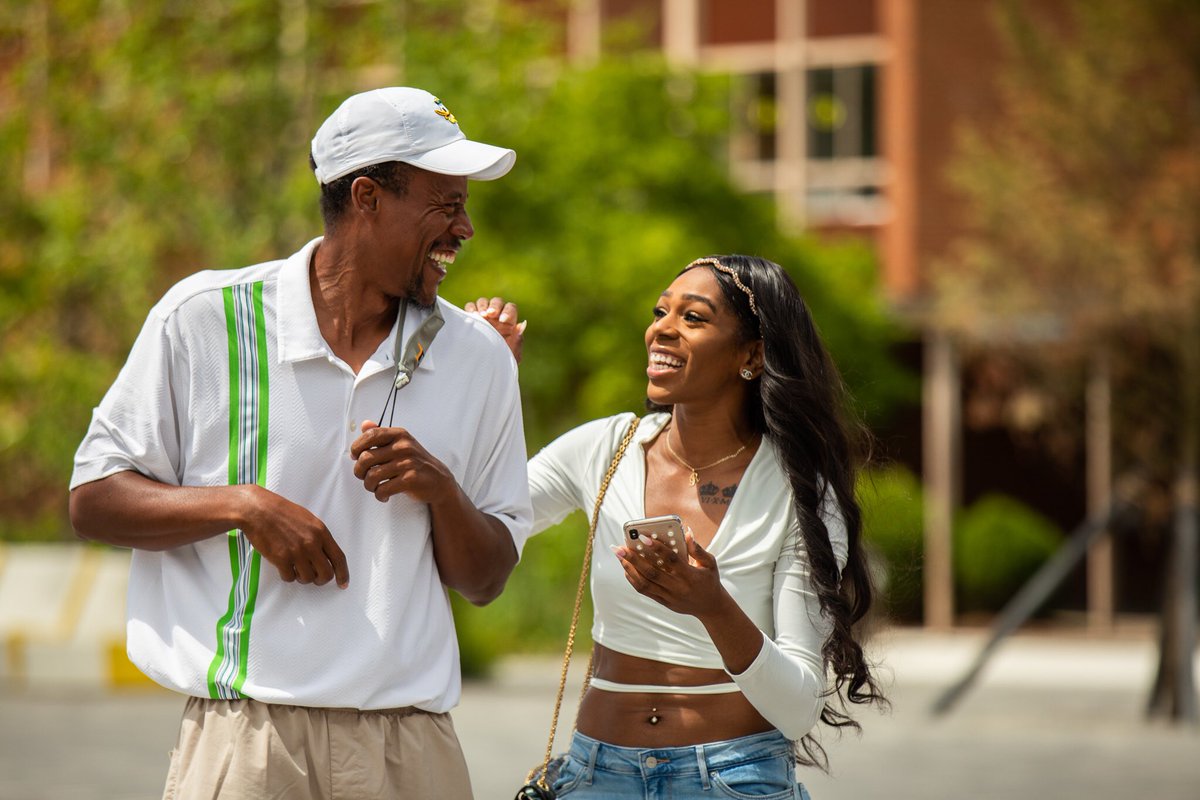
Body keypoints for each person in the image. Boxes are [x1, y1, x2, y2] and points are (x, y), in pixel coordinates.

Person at [68, 87, 532, 800]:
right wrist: (244, 506)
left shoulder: (480, 356)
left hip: (412, 747)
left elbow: (487, 579)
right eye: (445, 205)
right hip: (247, 742)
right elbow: (94, 502)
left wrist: (440, 490)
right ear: (368, 198)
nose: (465, 228)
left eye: (465, 205)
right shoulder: (201, 319)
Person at [470, 255, 886, 798]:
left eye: (693, 318)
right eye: (661, 311)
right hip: (596, 777)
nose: (662, 328)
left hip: (734, 780)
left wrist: (712, 606)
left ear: (752, 355)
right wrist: (485, 384)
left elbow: (800, 708)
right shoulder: (603, 449)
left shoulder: (800, 491)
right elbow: (476, 522)